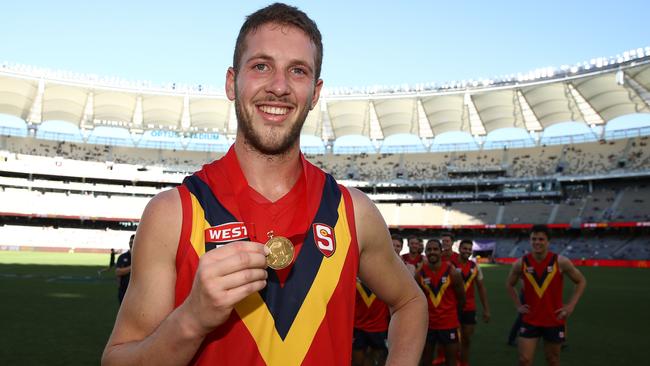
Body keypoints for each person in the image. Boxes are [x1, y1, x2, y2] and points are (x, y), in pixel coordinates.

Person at [102, 3, 427, 365]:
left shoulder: (352, 212)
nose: (279, 86)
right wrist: (190, 320)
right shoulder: (174, 214)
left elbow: (411, 302)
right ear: (231, 82)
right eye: (261, 66)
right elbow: (117, 359)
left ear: (315, 93)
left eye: (298, 71)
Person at [506, 225, 586, 366]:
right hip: (530, 319)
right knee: (524, 360)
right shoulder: (520, 263)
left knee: (553, 360)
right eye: (534, 239)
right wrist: (518, 305)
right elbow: (509, 284)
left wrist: (570, 306)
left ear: (548, 242)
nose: (537, 242)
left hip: (554, 319)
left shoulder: (560, 262)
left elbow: (581, 281)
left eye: (541, 239)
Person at [417, 239, 465, 366]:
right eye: (429, 249)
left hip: (448, 324)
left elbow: (461, 299)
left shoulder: (452, 272)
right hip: (428, 325)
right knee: (426, 361)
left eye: (435, 249)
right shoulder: (420, 274)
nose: (432, 252)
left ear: (441, 252)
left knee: (451, 361)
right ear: (425, 252)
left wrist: (453, 316)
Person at [456, 239, 490, 366]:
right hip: (453, 308)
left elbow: (481, 288)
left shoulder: (475, 267)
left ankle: (464, 362)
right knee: (455, 340)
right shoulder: (451, 265)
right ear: (459, 249)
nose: (467, 251)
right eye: (464, 248)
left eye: (469, 249)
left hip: (470, 309)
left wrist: (486, 309)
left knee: (467, 339)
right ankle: (455, 360)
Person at [353, 278, 389, 366]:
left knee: (380, 359)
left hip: (379, 327)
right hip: (359, 327)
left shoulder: (386, 274)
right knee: (357, 362)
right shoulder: (353, 274)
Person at [115, 235, 134, 304]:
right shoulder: (123, 257)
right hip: (124, 291)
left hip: (137, 292)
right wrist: (133, 267)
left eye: (133, 241)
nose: (131, 243)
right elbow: (118, 272)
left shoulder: (143, 257)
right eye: (130, 241)